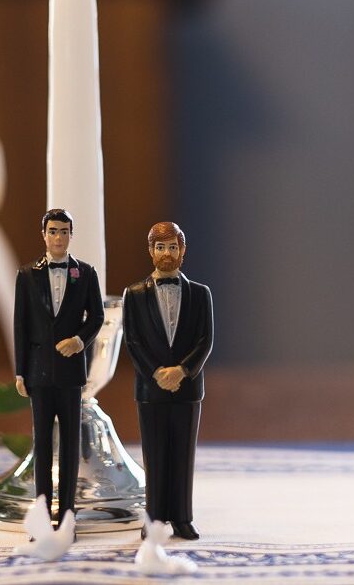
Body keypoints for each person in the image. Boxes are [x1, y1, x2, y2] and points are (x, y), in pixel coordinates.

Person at [122, 221, 213, 540]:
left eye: (172, 247)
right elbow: (132, 341)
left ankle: (182, 518)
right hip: (151, 389)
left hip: (187, 389)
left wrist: (183, 371)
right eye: (160, 247)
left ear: (183, 251)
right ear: (150, 252)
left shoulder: (201, 294)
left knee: (183, 455)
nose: (166, 254)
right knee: (155, 455)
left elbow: (205, 341)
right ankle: (154, 518)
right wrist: (157, 372)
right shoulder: (133, 295)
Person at [14, 208, 104, 527]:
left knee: (69, 446)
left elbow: (96, 317)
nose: (58, 237)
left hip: (69, 374)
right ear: (44, 234)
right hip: (38, 373)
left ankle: (67, 514)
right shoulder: (27, 276)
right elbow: (20, 326)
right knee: (41, 446)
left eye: (64, 231)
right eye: (53, 231)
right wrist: (20, 371)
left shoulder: (86, 274)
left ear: (70, 235)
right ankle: (41, 513)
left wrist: (80, 340)